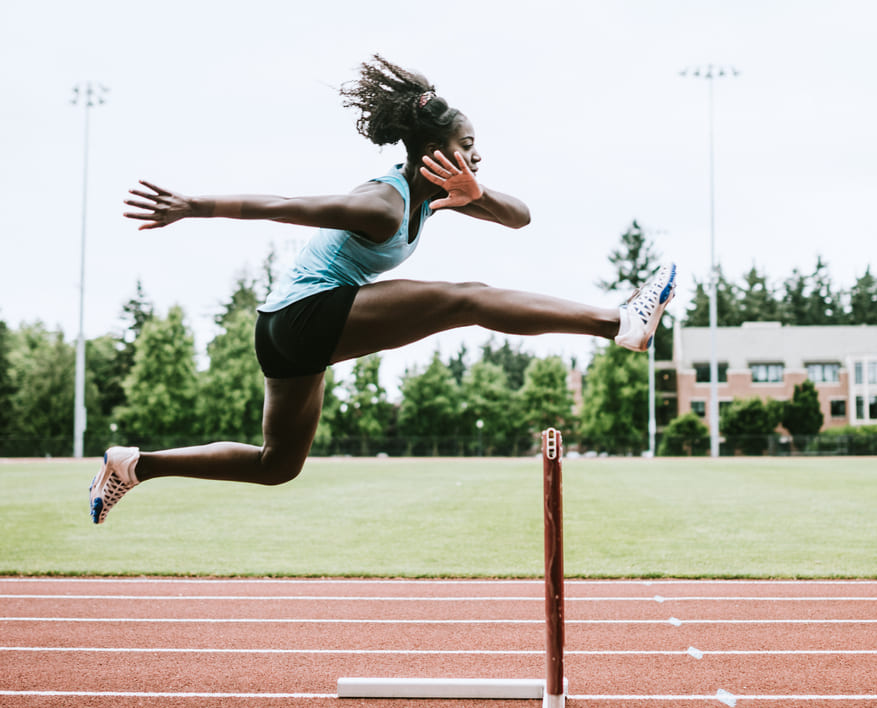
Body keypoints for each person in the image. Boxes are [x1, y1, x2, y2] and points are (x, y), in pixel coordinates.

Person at [89, 55, 675, 524]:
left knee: (277, 465)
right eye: (468, 144)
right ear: (433, 150)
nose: (478, 154)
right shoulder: (385, 203)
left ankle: (134, 465)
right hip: (302, 315)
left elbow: (520, 217)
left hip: (285, 331)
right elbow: (291, 206)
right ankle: (618, 322)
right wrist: (194, 205)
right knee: (464, 297)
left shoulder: (435, 196)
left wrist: (477, 194)